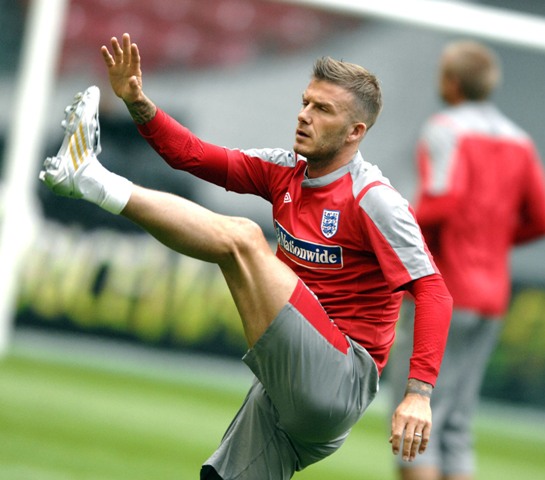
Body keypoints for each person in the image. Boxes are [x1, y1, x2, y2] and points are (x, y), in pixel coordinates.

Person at [40, 33, 452, 480]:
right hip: (286, 391)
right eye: (305, 102)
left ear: (356, 132)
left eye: (323, 109)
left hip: (340, 378)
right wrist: (137, 102)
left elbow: (434, 290)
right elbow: (192, 156)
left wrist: (418, 394)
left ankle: (89, 177)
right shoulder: (284, 171)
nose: (304, 115)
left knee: (242, 238)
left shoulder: (374, 199)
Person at [388, 40, 545, 480]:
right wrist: (494, 242)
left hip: (444, 291)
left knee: (413, 424)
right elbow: (540, 216)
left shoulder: (444, 129)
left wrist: (396, 231)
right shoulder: (519, 140)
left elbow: (443, 201)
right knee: (456, 425)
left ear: (453, 82)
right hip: (492, 295)